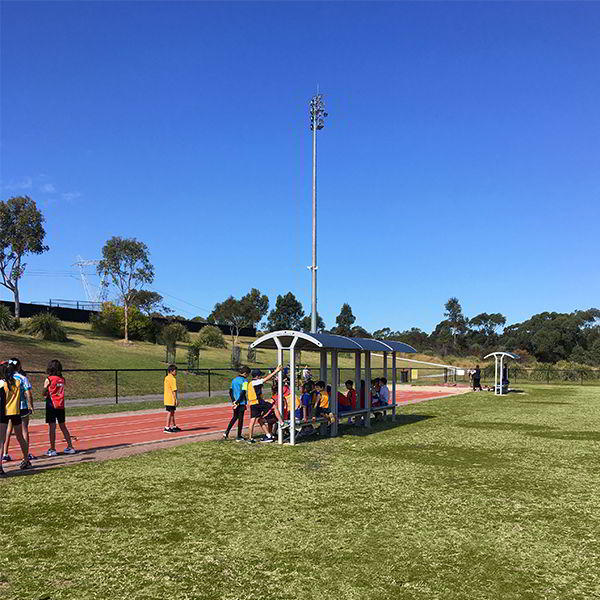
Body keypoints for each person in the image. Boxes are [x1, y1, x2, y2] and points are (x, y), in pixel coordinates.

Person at [0, 362, 31, 472]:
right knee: (20, 437)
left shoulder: (1, 383)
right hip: (16, 412)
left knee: (1, 439)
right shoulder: (18, 382)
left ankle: (0, 465)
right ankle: (26, 459)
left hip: (3, 412)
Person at [44, 359, 76, 456]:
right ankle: (70, 446)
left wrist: (45, 391)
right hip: (61, 404)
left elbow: (44, 392)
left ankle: (53, 449)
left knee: (52, 427)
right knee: (63, 426)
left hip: (51, 404)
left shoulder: (49, 379)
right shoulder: (62, 379)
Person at [245, 366, 283, 443]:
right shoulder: (256, 382)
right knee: (274, 406)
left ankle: (257, 437)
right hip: (258, 403)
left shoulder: (250, 383)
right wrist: (276, 371)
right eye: (260, 375)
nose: (261, 377)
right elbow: (266, 379)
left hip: (253, 404)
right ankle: (282, 422)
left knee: (258, 420)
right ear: (257, 376)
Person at [224, 365, 249, 441]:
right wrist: (238, 402)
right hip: (241, 403)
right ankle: (239, 436)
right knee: (240, 419)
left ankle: (226, 432)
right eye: (248, 374)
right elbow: (243, 392)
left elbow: (230, 391)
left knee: (234, 417)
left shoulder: (234, 380)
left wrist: (233, 401)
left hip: (235, 402)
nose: (248, 376)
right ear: (245, 373)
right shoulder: (245, 381)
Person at [163, 364, 180, 433]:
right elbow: (174, 390)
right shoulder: (172, 379)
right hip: (171, 399)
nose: (176, 372)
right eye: (175, 371)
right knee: (170, 412)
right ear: (171, 371)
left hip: (167, 398)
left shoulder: (166, 377)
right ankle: (167, 427)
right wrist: (176, 399)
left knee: (172, 412)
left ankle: (174, 426)